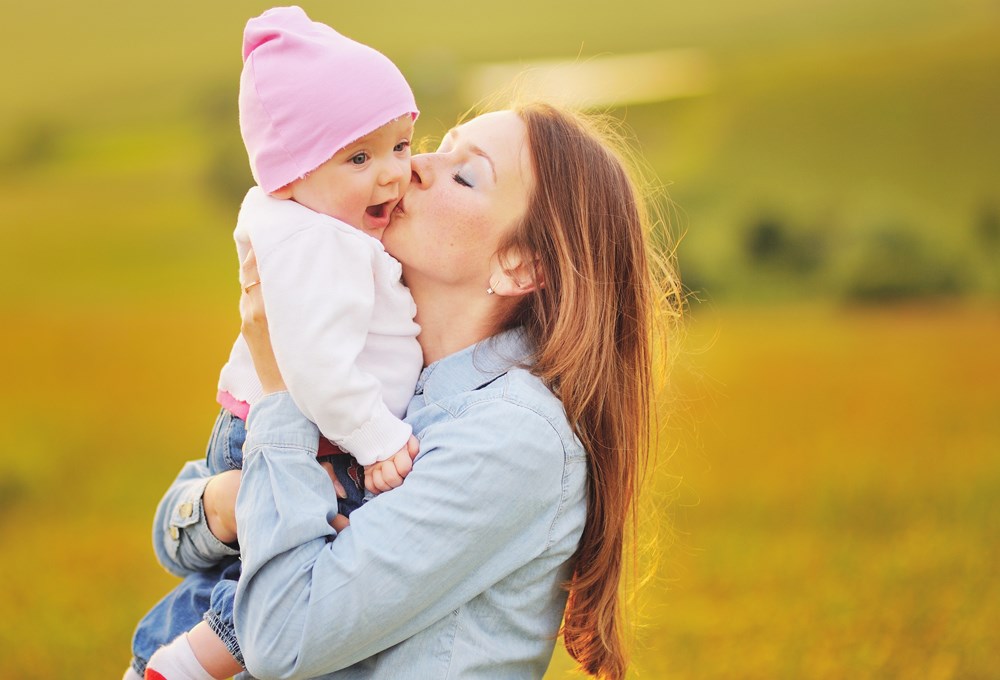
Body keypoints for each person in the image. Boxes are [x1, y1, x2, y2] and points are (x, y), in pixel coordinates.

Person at [148, 103, 681, 679]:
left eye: (465, 173)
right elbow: (172, 535)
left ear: (519, 265)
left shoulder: (512, 437)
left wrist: (281, 394)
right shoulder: (372, 366)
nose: (417, 165)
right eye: (437, 145)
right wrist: (229, 501)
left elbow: (281, 637)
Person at [125, 7, 423, 679]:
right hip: (309, 431)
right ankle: (187, 662)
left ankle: (162, 654)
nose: (392, 175)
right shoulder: (322, 244)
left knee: (260, 556)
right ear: (291, 173)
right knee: (298, 556)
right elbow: (315, 366)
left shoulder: (311, 219)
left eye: (401, 146)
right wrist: (377, 439)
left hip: (291, 426)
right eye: (359, 157)